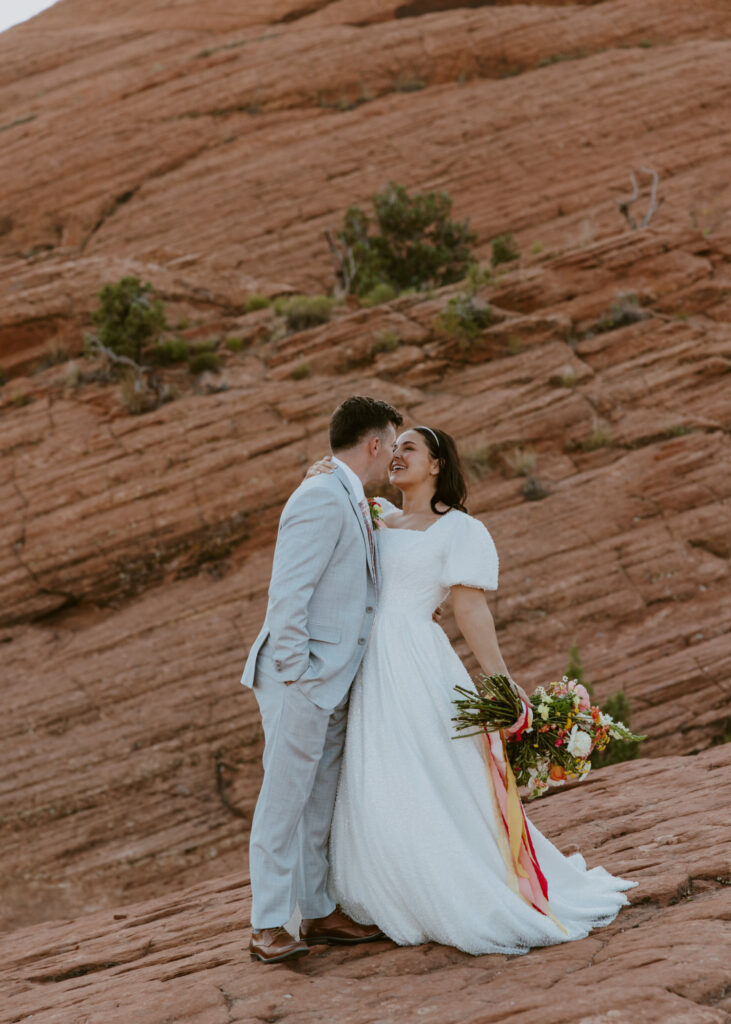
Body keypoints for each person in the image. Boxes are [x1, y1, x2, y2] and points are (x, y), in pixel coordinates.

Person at [311, 425, 637, 956]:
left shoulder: (460, 530)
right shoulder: (375, 517)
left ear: (437, 464)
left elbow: (468, 607)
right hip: (365, 662)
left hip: (414, 660)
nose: (396, 455)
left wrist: (499, 678)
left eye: (409, 448)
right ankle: (381, 884)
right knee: (374, 773)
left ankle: (451, 886)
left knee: (426, 771)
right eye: (393, 449)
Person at [240, 396, 403, 963]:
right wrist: (298, 676)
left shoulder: (351, 496)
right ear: (374, 444)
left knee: (318, 801)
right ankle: (266, 924)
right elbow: (289, 594)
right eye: (391, 446)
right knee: (284, 799)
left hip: (332, 678)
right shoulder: (319, 497)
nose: (393, 459)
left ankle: (316, 912)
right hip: (301, 681)